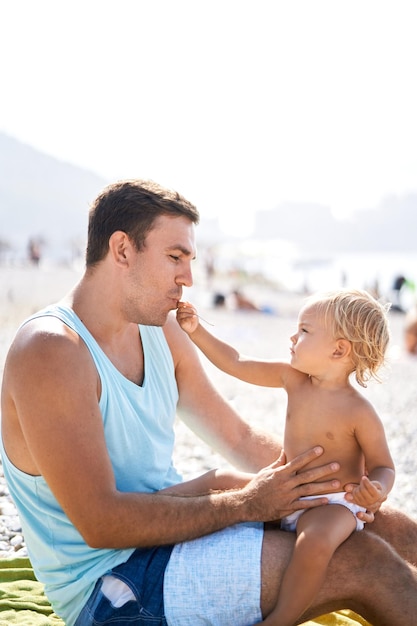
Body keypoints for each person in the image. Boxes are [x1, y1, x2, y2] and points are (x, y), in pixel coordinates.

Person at [1, 179, 417, 626]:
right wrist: (248, 504)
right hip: (115, 584)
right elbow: (101, 523)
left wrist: (330, 488)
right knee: (363, 560)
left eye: (190, 260)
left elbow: (235, 434)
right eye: (175, 257)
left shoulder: (160, 330)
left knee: (386, 527)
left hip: (176, 533)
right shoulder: (52, 351)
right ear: (122, 249)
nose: (189, 278)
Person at [175, 289, 395, 625]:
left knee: (314, 542)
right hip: (287, 491)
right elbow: (236, 363)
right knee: (219, 480)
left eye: (305, 331)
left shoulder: (359, 411)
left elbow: (384, 465)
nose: (292, 336)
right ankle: (148, 508)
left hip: (332, 503)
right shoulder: (292, 379)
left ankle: (282, 618)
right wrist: (195, 331)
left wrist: (376, 490)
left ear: (339, 349)